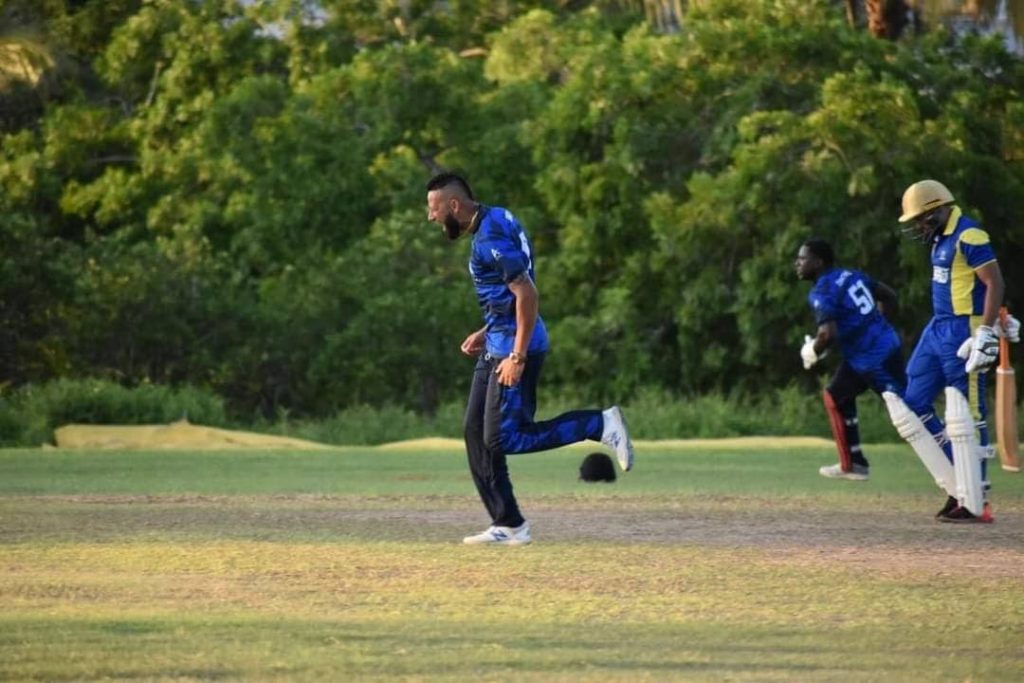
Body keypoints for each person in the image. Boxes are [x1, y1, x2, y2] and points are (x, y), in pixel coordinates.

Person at [425, 171, 635, 545]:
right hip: (498, 343)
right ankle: (508, 525)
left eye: (435, 208)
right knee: (476, 433)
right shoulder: (498, 216)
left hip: (514, 350)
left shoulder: (487, 239)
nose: (432, 217)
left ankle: (599, 425)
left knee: (507, 437)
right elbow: (508, 296)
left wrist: (518, 356)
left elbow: (527, 294)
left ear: (454, 205)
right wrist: (487, 329)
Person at [885, 179, 1019, 523]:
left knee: (969, 410)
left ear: (937, 210)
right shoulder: (939, 240)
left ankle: (978, 497)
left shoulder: (969, 235)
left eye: (921, 219)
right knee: (912, 400)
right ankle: (961, 482)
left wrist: (987, 331)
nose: (918, 226)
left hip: (965, 329)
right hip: (938, 326)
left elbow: (995, 284)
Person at [796, 238, 907, 481]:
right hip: (884, 344)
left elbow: (827, 334)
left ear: (818, 262)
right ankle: (854, 461)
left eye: (803, 259)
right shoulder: (851, 275)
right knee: (836, 395)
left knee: (908, 413)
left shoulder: (822, 291)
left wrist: (812, 351)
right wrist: (875, 327)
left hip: (870, 358)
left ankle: (951, 448)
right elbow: (889, 296)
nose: (798, 263)